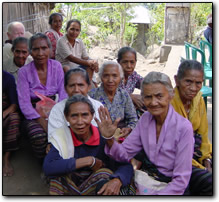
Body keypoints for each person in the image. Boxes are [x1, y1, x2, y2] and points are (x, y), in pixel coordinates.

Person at [96, 71, 194, 195]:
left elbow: (180, 181)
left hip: (171, 188)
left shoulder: (184, 127)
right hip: (147, 181)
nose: (153, 102)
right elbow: (124, 154)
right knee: (104, 188)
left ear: (171, 95)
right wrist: (109, 138)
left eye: (159, 96)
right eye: (148, 97)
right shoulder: (146, 118)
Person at [43, 94, 134, 195]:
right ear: (66, 117)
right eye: (74, 116)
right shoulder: (62, 136)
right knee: (56, 178)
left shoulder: (102, 136)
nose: (80, 122)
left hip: (95, 187)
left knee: (105, 175)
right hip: (72, 183)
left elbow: (126, 165)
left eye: (85, 115)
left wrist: (117, 180)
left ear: (92, 115)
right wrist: (89, 161)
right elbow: (48, 167)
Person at [17, 33, 67, 159]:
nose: (40, 53)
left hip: (56, 110)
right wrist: (39, 119)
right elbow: (24, 102)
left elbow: (63, 93)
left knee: (68, 130)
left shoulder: (57, 66)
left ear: (50, 50)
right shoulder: (24, 72)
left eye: (44, 48)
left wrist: (56, 115)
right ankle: (44, 164)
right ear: (30, 52)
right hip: (34, 115)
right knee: (38, 135)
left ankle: (61, 161)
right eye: (36, 49)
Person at [171, 60, 212, 195]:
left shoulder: (198, 99)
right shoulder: (167, 102)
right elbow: (171, 145)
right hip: (176, 157)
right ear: (177, 80)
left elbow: (204, 133)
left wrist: (206, 158)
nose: (193, 88)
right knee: (209, 181)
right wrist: (199, 165)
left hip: (196, 150)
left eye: (198, 83)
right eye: (188, 82)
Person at [48, 67, 103, 141]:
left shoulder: (98, 107)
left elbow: (102, 134)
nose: (76, 90)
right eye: (71, 86)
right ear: (65, 88)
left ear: (89, 87)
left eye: (80, 85)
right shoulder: (57, 109)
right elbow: (55, 137)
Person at [89, 61, 138, 138]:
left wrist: (129, 128)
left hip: (120, 135)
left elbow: (133, 119)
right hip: (98, 136)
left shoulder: (123, 95)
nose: (110, 80)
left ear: (120, 77)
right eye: (106, 76)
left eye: (115, 76)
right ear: (101, 77)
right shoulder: (92, 95)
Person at [117, 47, 146, 116]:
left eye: (132, 62)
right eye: (125, 62)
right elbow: (109, 95)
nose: (129, 66)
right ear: (118, 62)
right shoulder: (113, 76)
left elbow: (146, 84)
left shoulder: (133, 76)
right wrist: (129, 97)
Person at [3, 71, 21, 177]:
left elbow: (14, 105)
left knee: (14, 118)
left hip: (5, 113)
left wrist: (3, 114)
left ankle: (6, 158)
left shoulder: (7, 78)